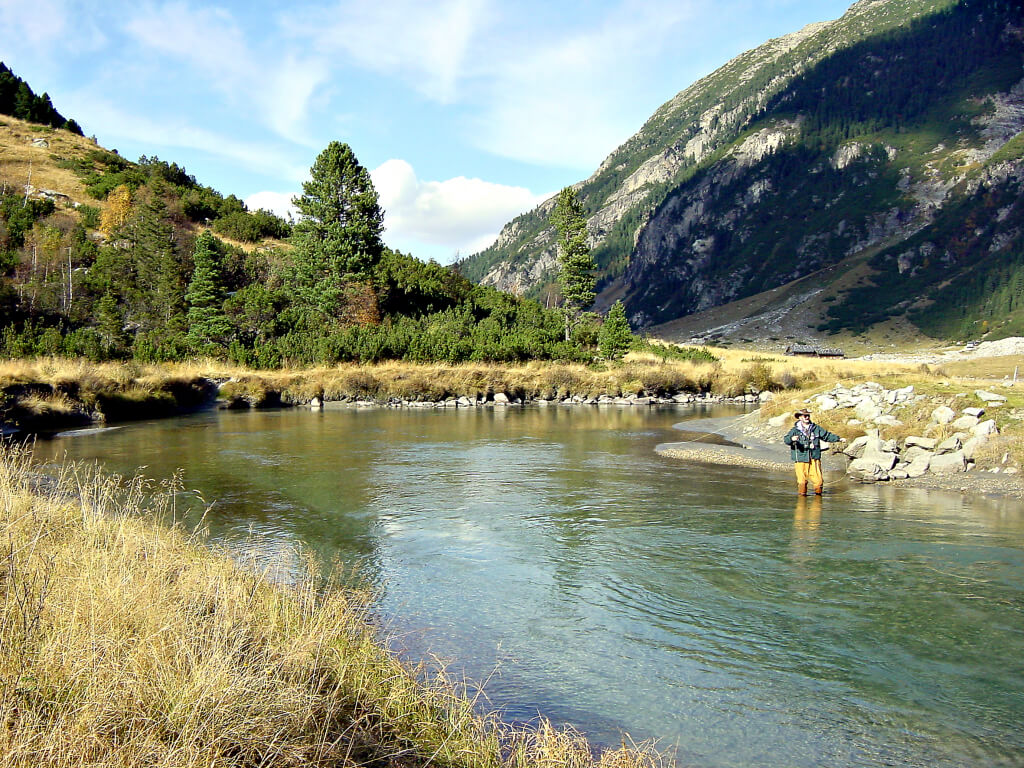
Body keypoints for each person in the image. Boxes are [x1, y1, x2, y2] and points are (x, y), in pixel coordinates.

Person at [783, 409, 843, 496]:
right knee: (802, 482)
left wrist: (838, 439)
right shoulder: (794, 430)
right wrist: (792, 439)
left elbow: (826, 435)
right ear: (800, 417)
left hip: (814, 458)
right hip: (800, 458)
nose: (807, 417)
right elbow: (786, 440)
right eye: (805, 416)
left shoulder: (816, 428)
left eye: (808, 415)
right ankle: (801, 502)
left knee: (819, 483)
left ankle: (818, 500)